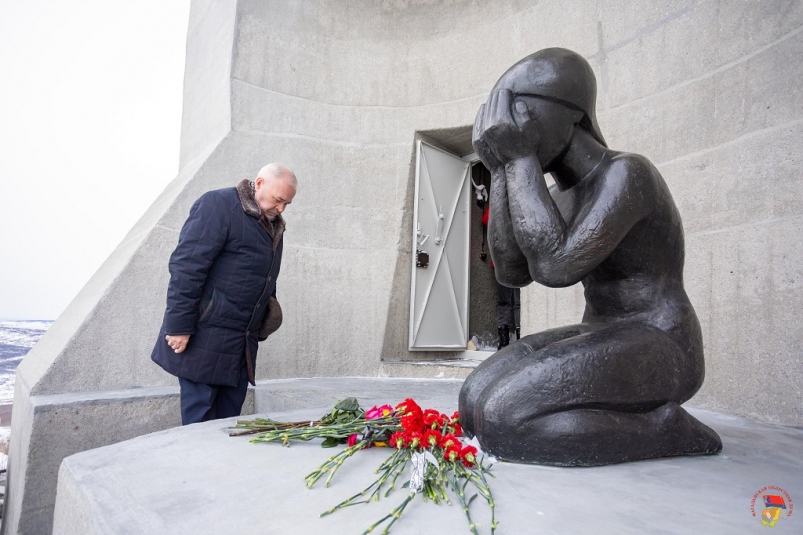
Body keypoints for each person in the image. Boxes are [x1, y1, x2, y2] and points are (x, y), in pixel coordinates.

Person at [458, 48, 722, 465]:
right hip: (601, 334)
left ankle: (665, 430)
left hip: (663, 343)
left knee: (504, 419)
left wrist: (519, 159)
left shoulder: (628, 173)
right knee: (473, 404)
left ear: (574, 114)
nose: (505, 126)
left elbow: (555, 265)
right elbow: (511, 272)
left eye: (519, 111)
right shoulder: (561, 197)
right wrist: (500, 170)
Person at [151, 163, 297, 425]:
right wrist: (178, 327)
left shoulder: (272, 222)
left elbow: (265, 277)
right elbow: (186, 268)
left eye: (287, 203)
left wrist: (267, 318)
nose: (282, 209)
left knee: (227, 428)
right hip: (205, 338)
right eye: (278, 200)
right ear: (259, 183)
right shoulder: (218, 205)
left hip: (241, 345)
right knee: (200, 430)